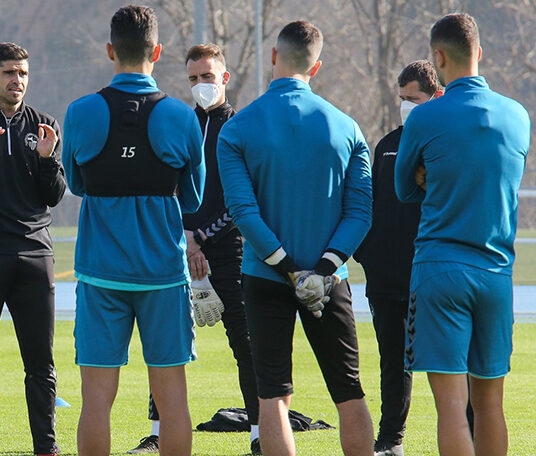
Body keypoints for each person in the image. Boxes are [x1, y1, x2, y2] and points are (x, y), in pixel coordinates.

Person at [217, 20, 374, 456]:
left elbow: (243, 214)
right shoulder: (347, 127)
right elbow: (360, 213)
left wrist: (288, 268)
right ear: (316, 66)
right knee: (349, 392)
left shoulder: (237, 128)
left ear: (273, 56)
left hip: (266, 276)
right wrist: (321, 270)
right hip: (330, 279)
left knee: (272, 396)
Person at [62, 6, 204, 456]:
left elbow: (77, 183)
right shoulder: (181, 117)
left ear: (110, 51)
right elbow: (194, 199)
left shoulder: (81, 112)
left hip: (100, 273)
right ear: (157, 52)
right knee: (172, 400)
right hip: (162, 274)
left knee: (96, 400)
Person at [395, 13, 529, 456]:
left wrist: (431, 174)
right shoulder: (518, 115)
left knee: (451, 406)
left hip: (440, 269)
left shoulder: (425, 117)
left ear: (438, 57)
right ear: (480, 54)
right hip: (495, 273)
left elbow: (401, 188)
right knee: (491, 404)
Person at [127, 43, 261, 456]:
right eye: (192, 78)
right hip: (176, 249)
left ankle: (258, 435)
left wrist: (202, 239)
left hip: (229, 250)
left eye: (206, 76)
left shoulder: (240, 127)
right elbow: (166, 186)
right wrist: (186, 239)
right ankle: (157, 432)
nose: (199, 85)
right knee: (163, 342)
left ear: (224, 77)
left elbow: (243, 201)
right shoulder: (178, 124)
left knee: (246, 342)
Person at [0, 41, 66, 456]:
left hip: (34, 254)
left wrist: (46, 158)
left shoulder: (43, 124)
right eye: (9, 72)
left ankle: (47, 446)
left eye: (23, 73)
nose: (17, 80)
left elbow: (56, 195)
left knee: (40, 364)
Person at [353, 60, 441, 456]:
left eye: (414, 99)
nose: (406, 105)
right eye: (402, 98)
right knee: (393, 362)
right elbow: (373, 207)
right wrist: (367, 255)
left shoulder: (444, 144)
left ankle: (464, 434)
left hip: (431, 274)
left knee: (444, 363)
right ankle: (391, 441)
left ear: (435, 96)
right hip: (386, 277)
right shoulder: (387, 145)